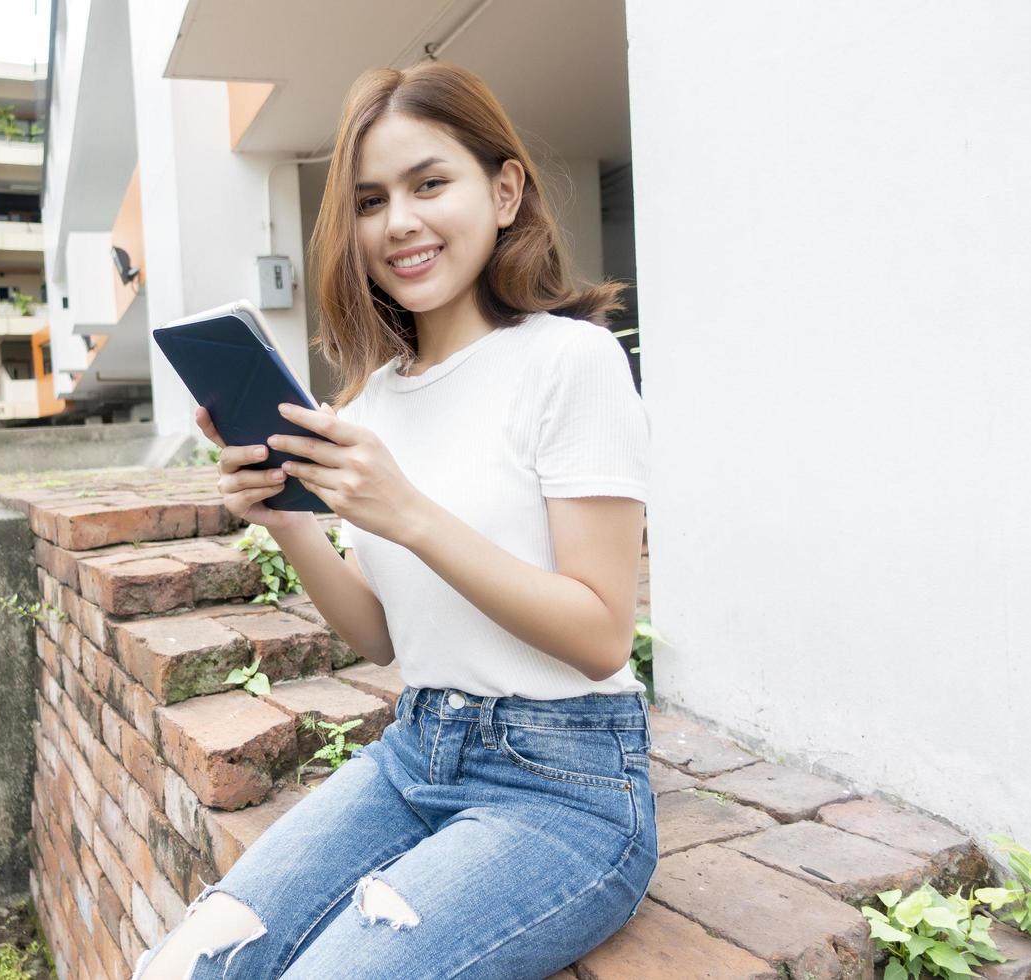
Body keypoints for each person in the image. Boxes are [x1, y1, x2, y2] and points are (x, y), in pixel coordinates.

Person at [134, 60, 656, 980]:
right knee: (190, 966)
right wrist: (288, 519)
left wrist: (408, 512)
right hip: (417, 750)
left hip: (567, 788)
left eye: (429, 183)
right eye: (370, 200)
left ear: (504, 191)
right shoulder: (371, 405)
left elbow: (602, 634)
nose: (399, 222)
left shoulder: (571, 363)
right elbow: (379, 634)